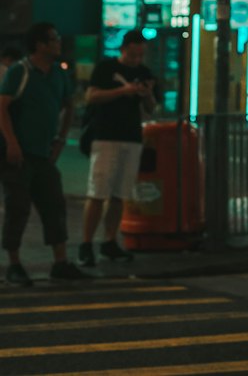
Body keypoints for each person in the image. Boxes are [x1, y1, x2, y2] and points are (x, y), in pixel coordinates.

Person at [0, 21, 87, 284]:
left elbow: (69, 105)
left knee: (53, 205)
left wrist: (60, 139)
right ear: (40, 44)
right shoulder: (20, 71)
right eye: (54, 39)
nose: (59, 43)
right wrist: (12, 143)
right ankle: (14, 264)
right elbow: (1, 107)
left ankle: (60, 261)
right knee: (18, 207)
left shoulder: (59, 74)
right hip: (19, 154)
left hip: (44, 153)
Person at [78, 29, 157, 267]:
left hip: (132, 137)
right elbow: (91, 96)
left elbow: (152, 108)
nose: (136, 59)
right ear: (124, 49)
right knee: (98, 192)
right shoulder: (106, 68)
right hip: (106, 136)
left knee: (119, 194)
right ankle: (86, 243)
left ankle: (110, 241)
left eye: (140, 55)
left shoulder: (144, 73)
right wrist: (123, 91)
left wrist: (147, 94)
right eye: (133, 54)